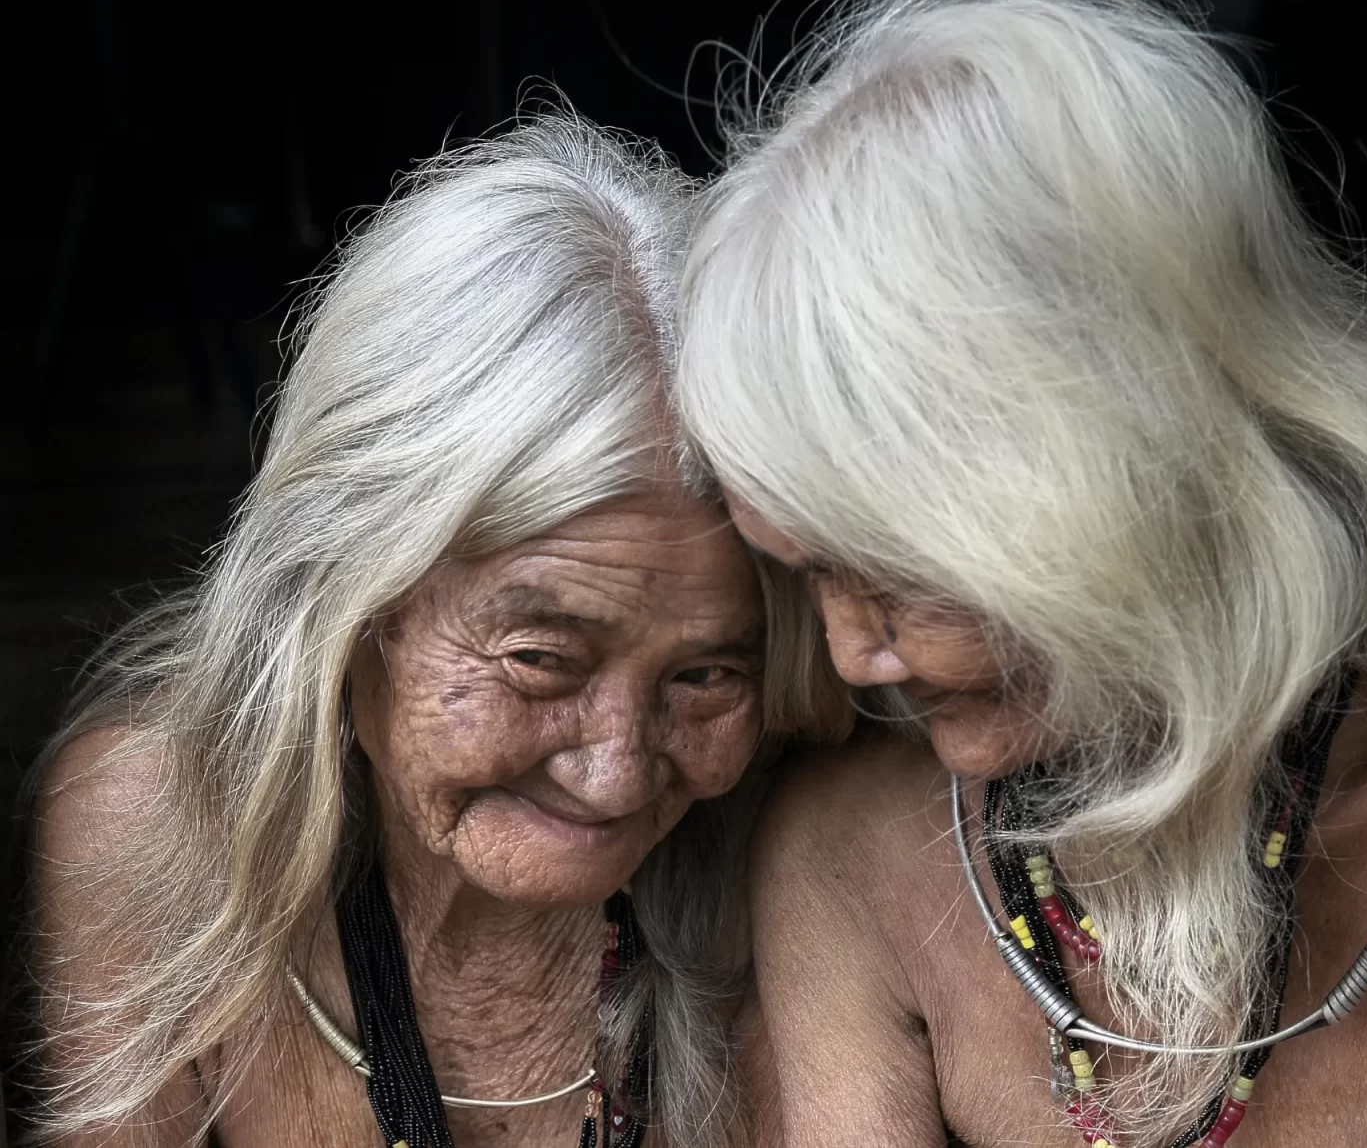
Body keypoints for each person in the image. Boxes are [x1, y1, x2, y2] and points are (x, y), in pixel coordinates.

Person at [673, 0, 1367, 1148]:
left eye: (899, 569)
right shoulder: (851, 855)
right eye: (809, 569)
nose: (853, 653)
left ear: (1126, 469)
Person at [16, 115, 837, 1148]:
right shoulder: (155, 834)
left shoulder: (809, 863)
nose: (617, 770)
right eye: (541, 659)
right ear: (352, 600)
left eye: (707, 672)